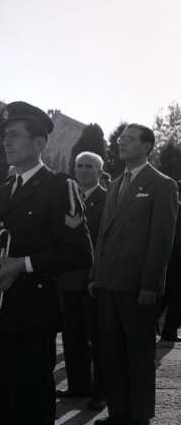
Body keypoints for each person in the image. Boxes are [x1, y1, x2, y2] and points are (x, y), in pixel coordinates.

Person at [0, 101, 93, 425]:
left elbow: (80, 253)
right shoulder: (4, 190)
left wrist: (23, 264)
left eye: (14, 135)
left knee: (31, 404)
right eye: (5, 135)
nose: (6, 141)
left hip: (34, 314)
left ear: (39, 143)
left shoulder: (60, 186)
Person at [89, 124, 178, 425]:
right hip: (107, 282)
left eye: (128, 139)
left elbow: (161, 239)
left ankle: (139, 417)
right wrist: (95, 275)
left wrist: (150, 285)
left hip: (136, 285)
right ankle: (119, 414)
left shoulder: (162, 184)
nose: (120, 143)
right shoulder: (115, 183)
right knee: (112, 353)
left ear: (147, 146)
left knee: (138, 354)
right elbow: (102, 235)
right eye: (119, 139)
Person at [57, 152, 107, 411]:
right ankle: (78, 386)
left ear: (99, 171)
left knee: (96, 339)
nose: (83, 170)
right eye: (79, 166)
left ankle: (101, 392)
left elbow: (105, 240)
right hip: (67, 279)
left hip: (92, 280)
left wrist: (98, 275)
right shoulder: (66, 197)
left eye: (89, 166)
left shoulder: (107, 199)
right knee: (72, 336)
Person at [158, 181, 181, 342]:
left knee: (166, 296)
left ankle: (160, 328)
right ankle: (169, 331)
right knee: (176, 299)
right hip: (176, 260)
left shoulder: (172, 206)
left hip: (168, 259)